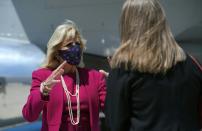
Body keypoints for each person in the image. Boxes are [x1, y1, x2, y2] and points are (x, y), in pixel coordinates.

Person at [104, 0, 202, 131]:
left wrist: (114, 83)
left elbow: (114, 124)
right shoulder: (192, 65)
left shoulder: (124, 69)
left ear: (127, 24)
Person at [22, 20, 106, 131]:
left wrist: (117, 83)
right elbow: (29, 116)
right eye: (69, 44)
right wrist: (43, 91)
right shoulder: (43, 76)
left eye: (78, 44)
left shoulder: (94, 77)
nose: (75, 48)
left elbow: (112, 111)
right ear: (57, 52)